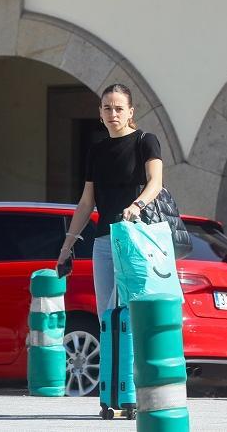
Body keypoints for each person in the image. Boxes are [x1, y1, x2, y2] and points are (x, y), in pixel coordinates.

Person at [56, 84, 162, 318]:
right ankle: (110, 356)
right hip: (104, 240)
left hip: (135, 236)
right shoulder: (97, 150)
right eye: (107, 108)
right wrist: (66, 248)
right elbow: (86, 203)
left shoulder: (145, 141)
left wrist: (137, 205)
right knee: (107, 314)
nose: (113, 114)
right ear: (100, 113)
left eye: (119, 109)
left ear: (130, 112)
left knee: (132, 310)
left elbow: (155, 182)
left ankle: (131, 356)